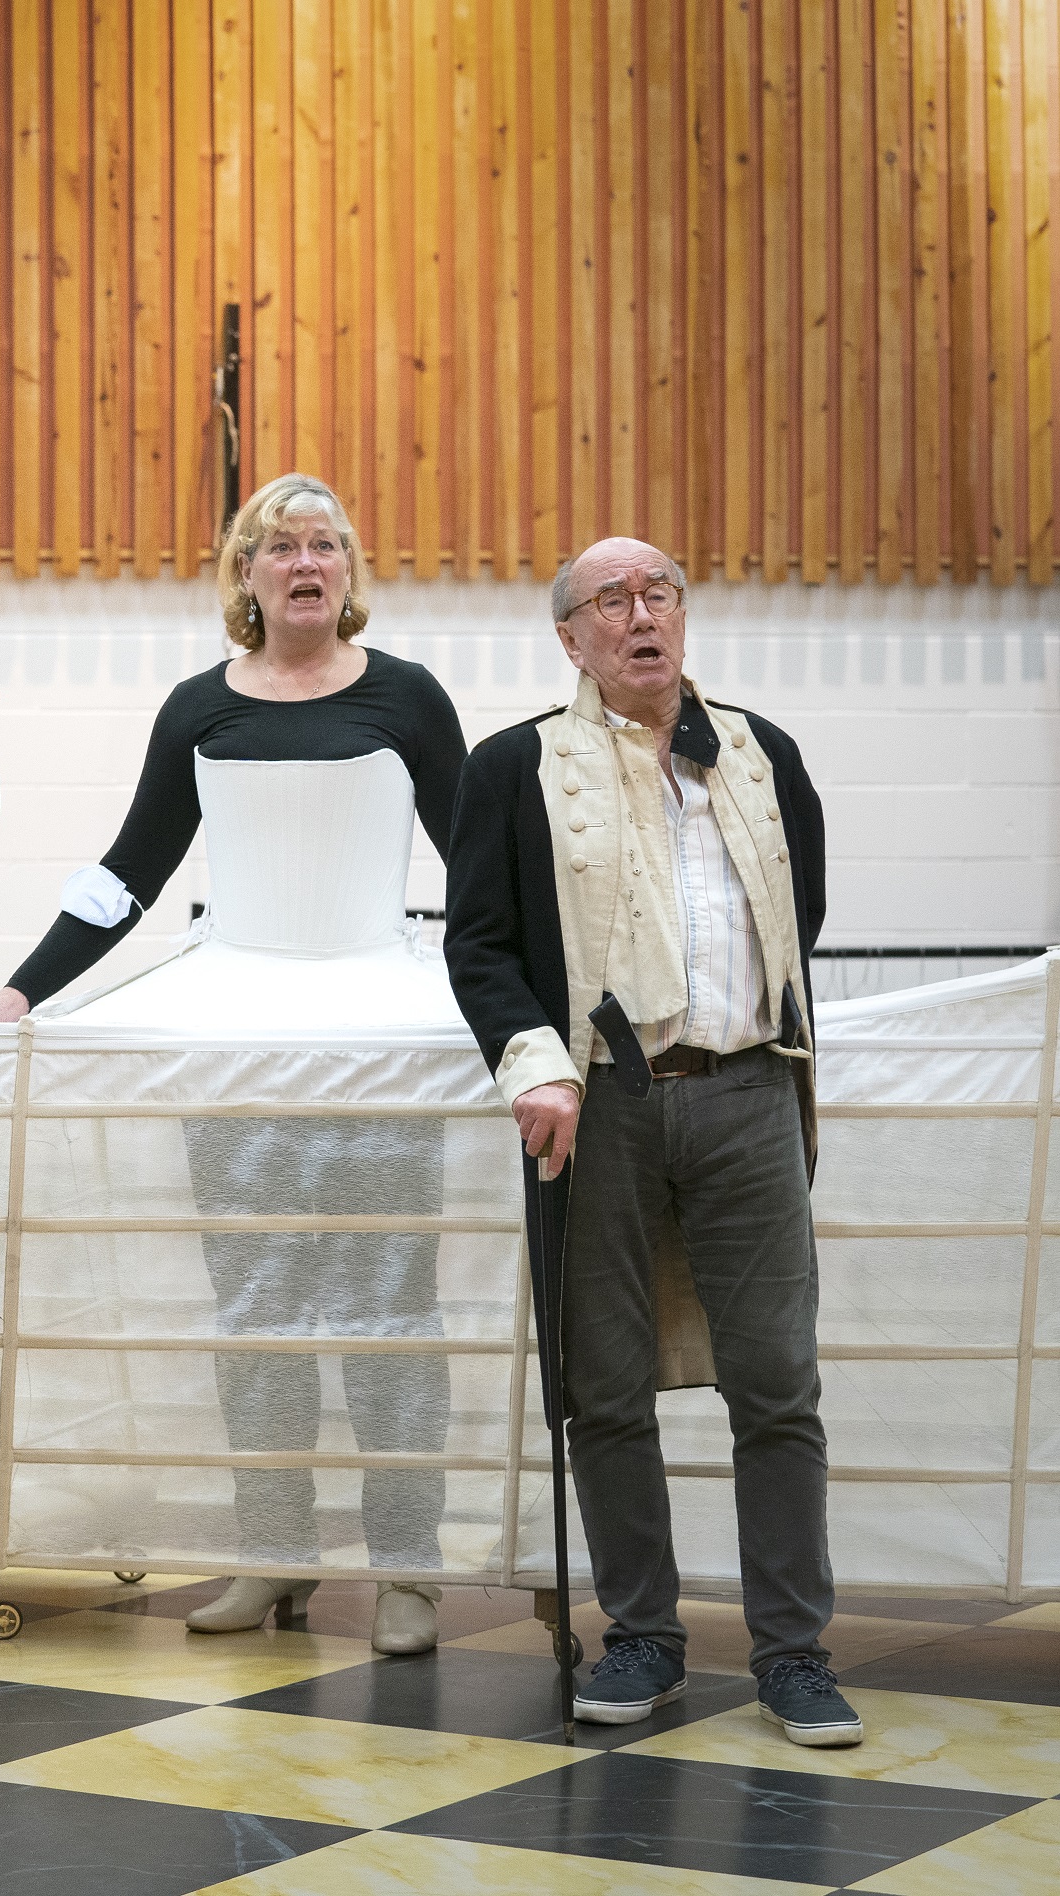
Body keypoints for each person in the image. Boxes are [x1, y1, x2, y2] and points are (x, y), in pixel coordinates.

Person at [0, 473, 468, 1657]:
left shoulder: (409, 699)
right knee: (258, 1314)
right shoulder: (198, 707)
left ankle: (408, 1572)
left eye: (326, 545)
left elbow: (481, 866)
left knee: (390, 1312)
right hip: (233, 1041)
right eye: (280, 545)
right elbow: (128, 868)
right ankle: (270, 1558)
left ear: (349, 573)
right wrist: (25, 986)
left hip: (379, 1041)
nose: (305, 562)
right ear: (245, 574)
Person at [442, 537, 856, 1746]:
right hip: (603, 1102)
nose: (641, 615)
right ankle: (643, 1639)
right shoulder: (515, 765)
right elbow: (480, 944)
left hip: (747, 1091)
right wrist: (537, 1067)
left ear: (683, 615)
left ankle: (793, 1655)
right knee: (605, 1384)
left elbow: (801, 909)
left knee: (779, 1382)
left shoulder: (759, 750)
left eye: (659, 592)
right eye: (610, 601)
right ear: (570, 637)